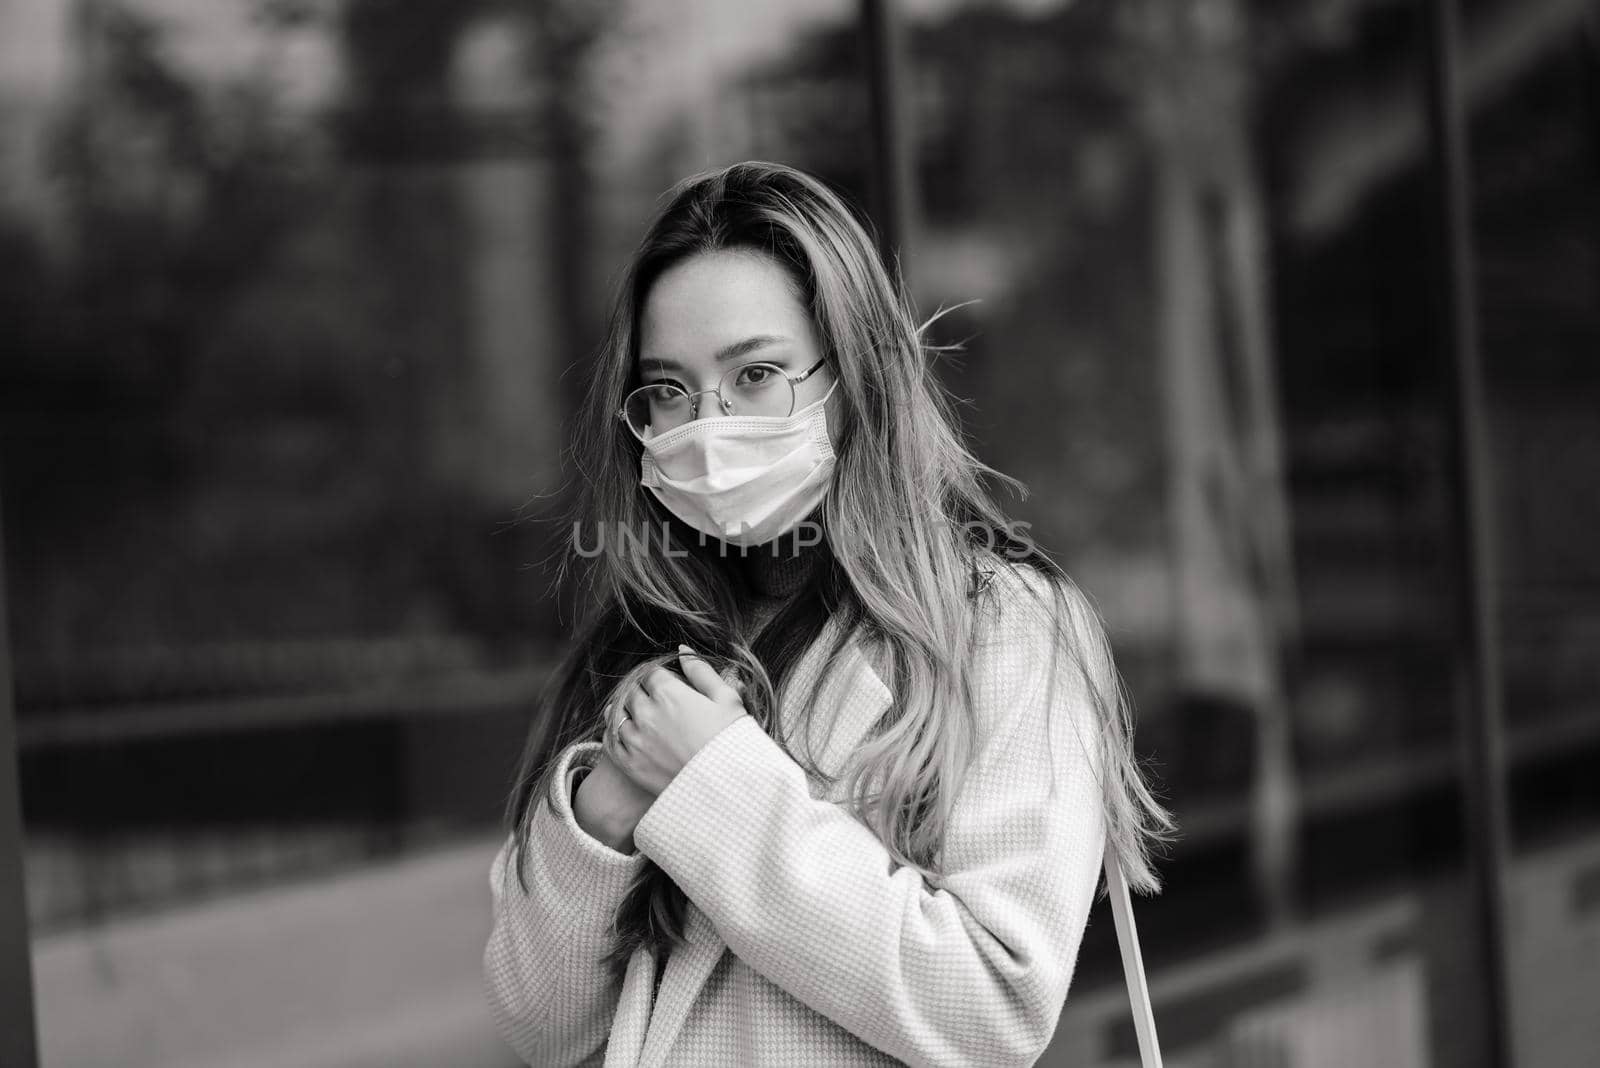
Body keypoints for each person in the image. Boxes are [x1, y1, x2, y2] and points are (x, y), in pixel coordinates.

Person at [481, 160, 1174, 1068]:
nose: (708, 424)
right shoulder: (640, 642)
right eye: (668, 390)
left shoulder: (1003, 627)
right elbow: (536, 1026)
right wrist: (603, 820)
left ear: (853, 374)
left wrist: (716, 784)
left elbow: (995, 1007)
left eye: (756, 374)